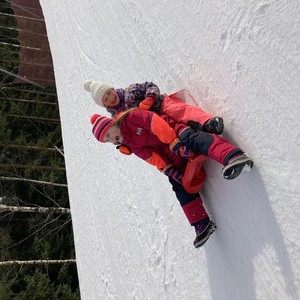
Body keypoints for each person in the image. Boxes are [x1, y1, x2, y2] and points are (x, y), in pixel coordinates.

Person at [89, 108, 253, 248]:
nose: (112, 140)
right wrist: (168, 170)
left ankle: (233, 157)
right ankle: (200, 223)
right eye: (108, 141)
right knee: (177, 183)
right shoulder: (129, 145)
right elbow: (151, 157)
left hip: (177, 133)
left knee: (196, 140)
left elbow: (157, 124)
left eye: (109, 134)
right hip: (174, 154)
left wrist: (175, 143)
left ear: (112, 124)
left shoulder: (132, 117)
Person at [84, 80, 224, 135]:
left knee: (177, 111)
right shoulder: (118, 117)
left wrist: (150, 98)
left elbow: (150, 86)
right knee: (171, 133)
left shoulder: (130, 91)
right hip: (153, 123)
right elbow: (126, 132)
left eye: (109, 93)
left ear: (112, 89)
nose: (111, 98)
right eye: (106, 100)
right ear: (105, 105)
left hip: (160, 104)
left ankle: (208, 122)